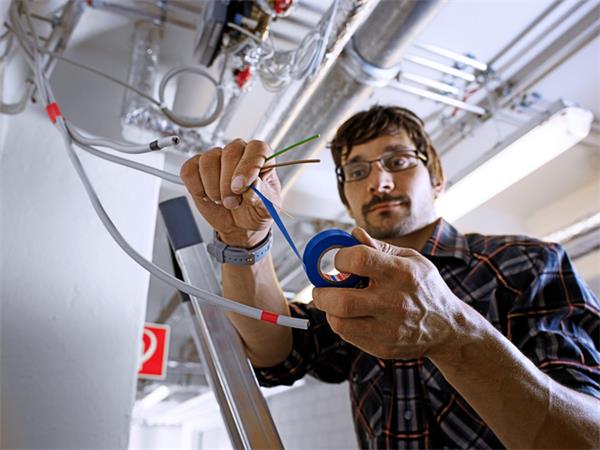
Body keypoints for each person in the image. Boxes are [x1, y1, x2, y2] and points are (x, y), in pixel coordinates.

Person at [180, 105, 600, 449]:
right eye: (357, 172)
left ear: (436, 178)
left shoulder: (526, 263)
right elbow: (277, 350)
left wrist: (454, 333)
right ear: (347, 200)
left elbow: (587, 437)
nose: (378, 182)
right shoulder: (352, 287)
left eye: (397, 162)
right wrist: (245, 240)